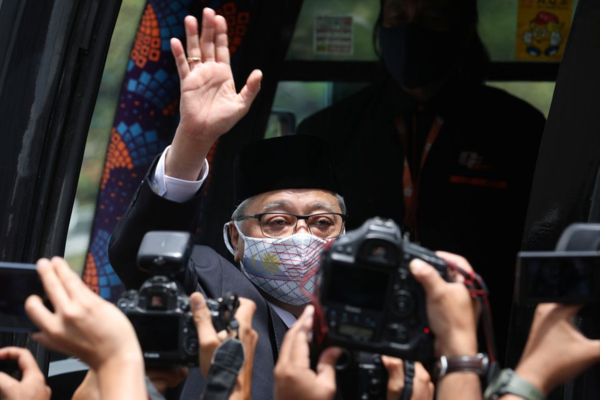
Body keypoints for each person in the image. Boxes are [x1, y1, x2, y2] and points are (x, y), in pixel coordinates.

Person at [108, 7, 434, 399]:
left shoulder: (370, 320)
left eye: (322, 222)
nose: (303, 237)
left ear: (345, 233)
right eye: (277, 221)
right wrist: (194, 139)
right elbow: (140, 253)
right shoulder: (212, 289)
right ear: (235, 237)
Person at [296, 0, 546, 360]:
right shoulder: (330, 130)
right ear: (382, 28)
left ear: (462, 31)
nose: (411, 32)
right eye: (398, 18)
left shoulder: (517, 127)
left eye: (432, 18)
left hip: (483, 330)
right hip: (358, 329)